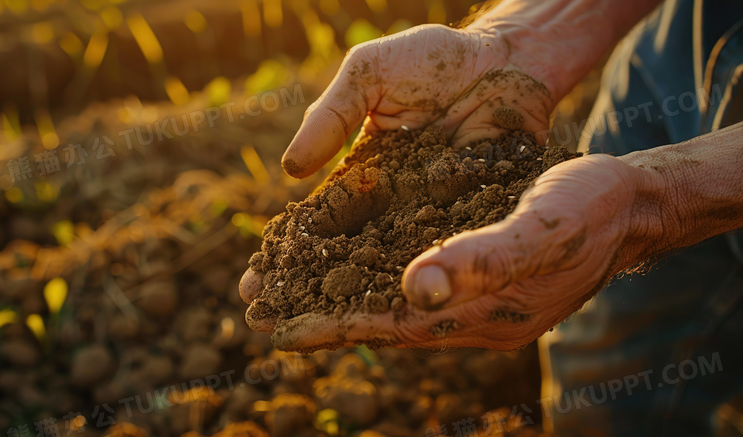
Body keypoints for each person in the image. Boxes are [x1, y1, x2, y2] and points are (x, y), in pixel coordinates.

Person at [240, 0, 743, 435]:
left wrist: (660, 199)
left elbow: (636, 201)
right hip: (693, 31)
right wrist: (512, 43)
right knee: (606, 363)